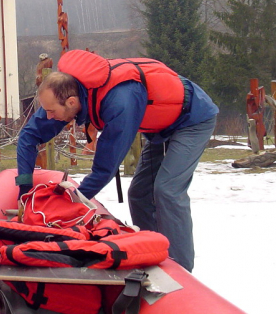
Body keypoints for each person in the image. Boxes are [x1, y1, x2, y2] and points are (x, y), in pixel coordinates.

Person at [16, 49, 218, 272]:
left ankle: (180, 268)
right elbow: (29, 137)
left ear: (72, 102)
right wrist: (24, 190)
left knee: (167, 190)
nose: (48, 117)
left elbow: (104, 169)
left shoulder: (120, 101)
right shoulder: (62, 92)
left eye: (51, 111)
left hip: (192, 119)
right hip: (158, 128)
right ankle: (153, 252)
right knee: (139, 194)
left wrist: (70, 203)